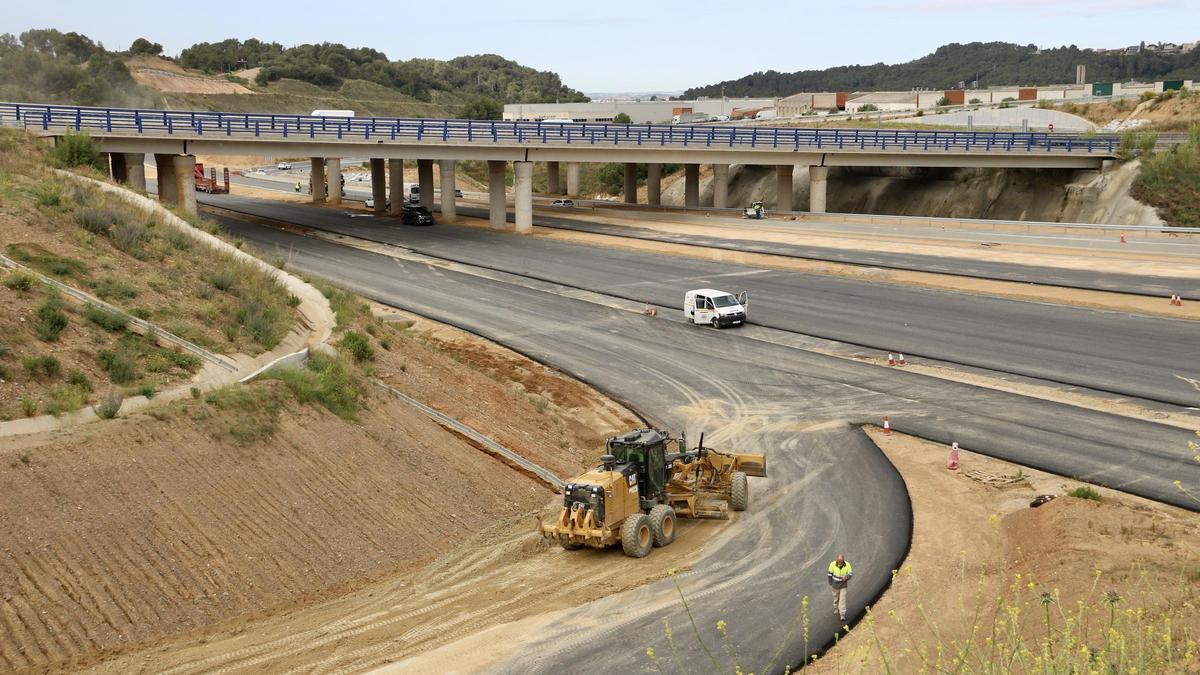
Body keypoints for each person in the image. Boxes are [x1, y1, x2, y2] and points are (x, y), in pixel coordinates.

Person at [827, 554, 853, 622]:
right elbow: (829, 574)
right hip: (835, 586)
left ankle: (842, 614)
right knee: (836, 598)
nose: (840, 563)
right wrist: (830, 583)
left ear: (843, 560)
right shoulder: (832, 564)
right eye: (838, 561)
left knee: (842, 600)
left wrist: (846, 577)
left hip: (843, 585)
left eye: (841, 561)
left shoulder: (847, 565)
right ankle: (836, 608)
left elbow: (850, 573)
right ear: (836, 560)